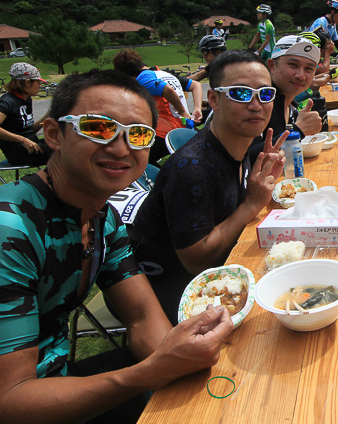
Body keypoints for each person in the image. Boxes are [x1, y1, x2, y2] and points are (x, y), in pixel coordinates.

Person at [0, 69, 233, 423]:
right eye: (97, 128)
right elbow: (10, 400)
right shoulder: (11, 229)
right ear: (53, 134)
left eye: (138, 134)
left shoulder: (102, 218)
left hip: (60, 377)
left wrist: (175, 359)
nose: (121, 147)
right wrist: (150, 373)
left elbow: (141, 315)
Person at [130, 50, 287, 323]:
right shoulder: (193, 168)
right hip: (170, 290)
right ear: (213, 99)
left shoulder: (239, 146)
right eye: (240, 93)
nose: (256, 105)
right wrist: (251, 204)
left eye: (265, 94)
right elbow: (196, 261)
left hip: (222, 271)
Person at [112, 49, 201, 165]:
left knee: (135, 155)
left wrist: (183, 112)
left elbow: (168, 90)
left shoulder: (143, 79)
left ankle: (158, 180)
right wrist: (197, 108)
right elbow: (196, 85)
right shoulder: (163, 74)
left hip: (166, 132)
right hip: (182, 127)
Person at [263, 35, 322, 139]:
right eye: (293, 65)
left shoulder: (291, 106)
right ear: (272, 66)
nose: (301, 76)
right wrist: (299, 130)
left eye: (308, 68)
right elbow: (245, 154)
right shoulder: (260, 103)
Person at [0, 63, 51, 166]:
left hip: (33, 146)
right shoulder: (7, 102)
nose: (39, 86)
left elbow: (29, 130)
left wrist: (50, 113)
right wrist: (22, 140)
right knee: (63, 151)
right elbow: (24, 137)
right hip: (19, 153)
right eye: (38, 83)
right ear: (27, 83)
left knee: (64, 142)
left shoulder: (26, 99)